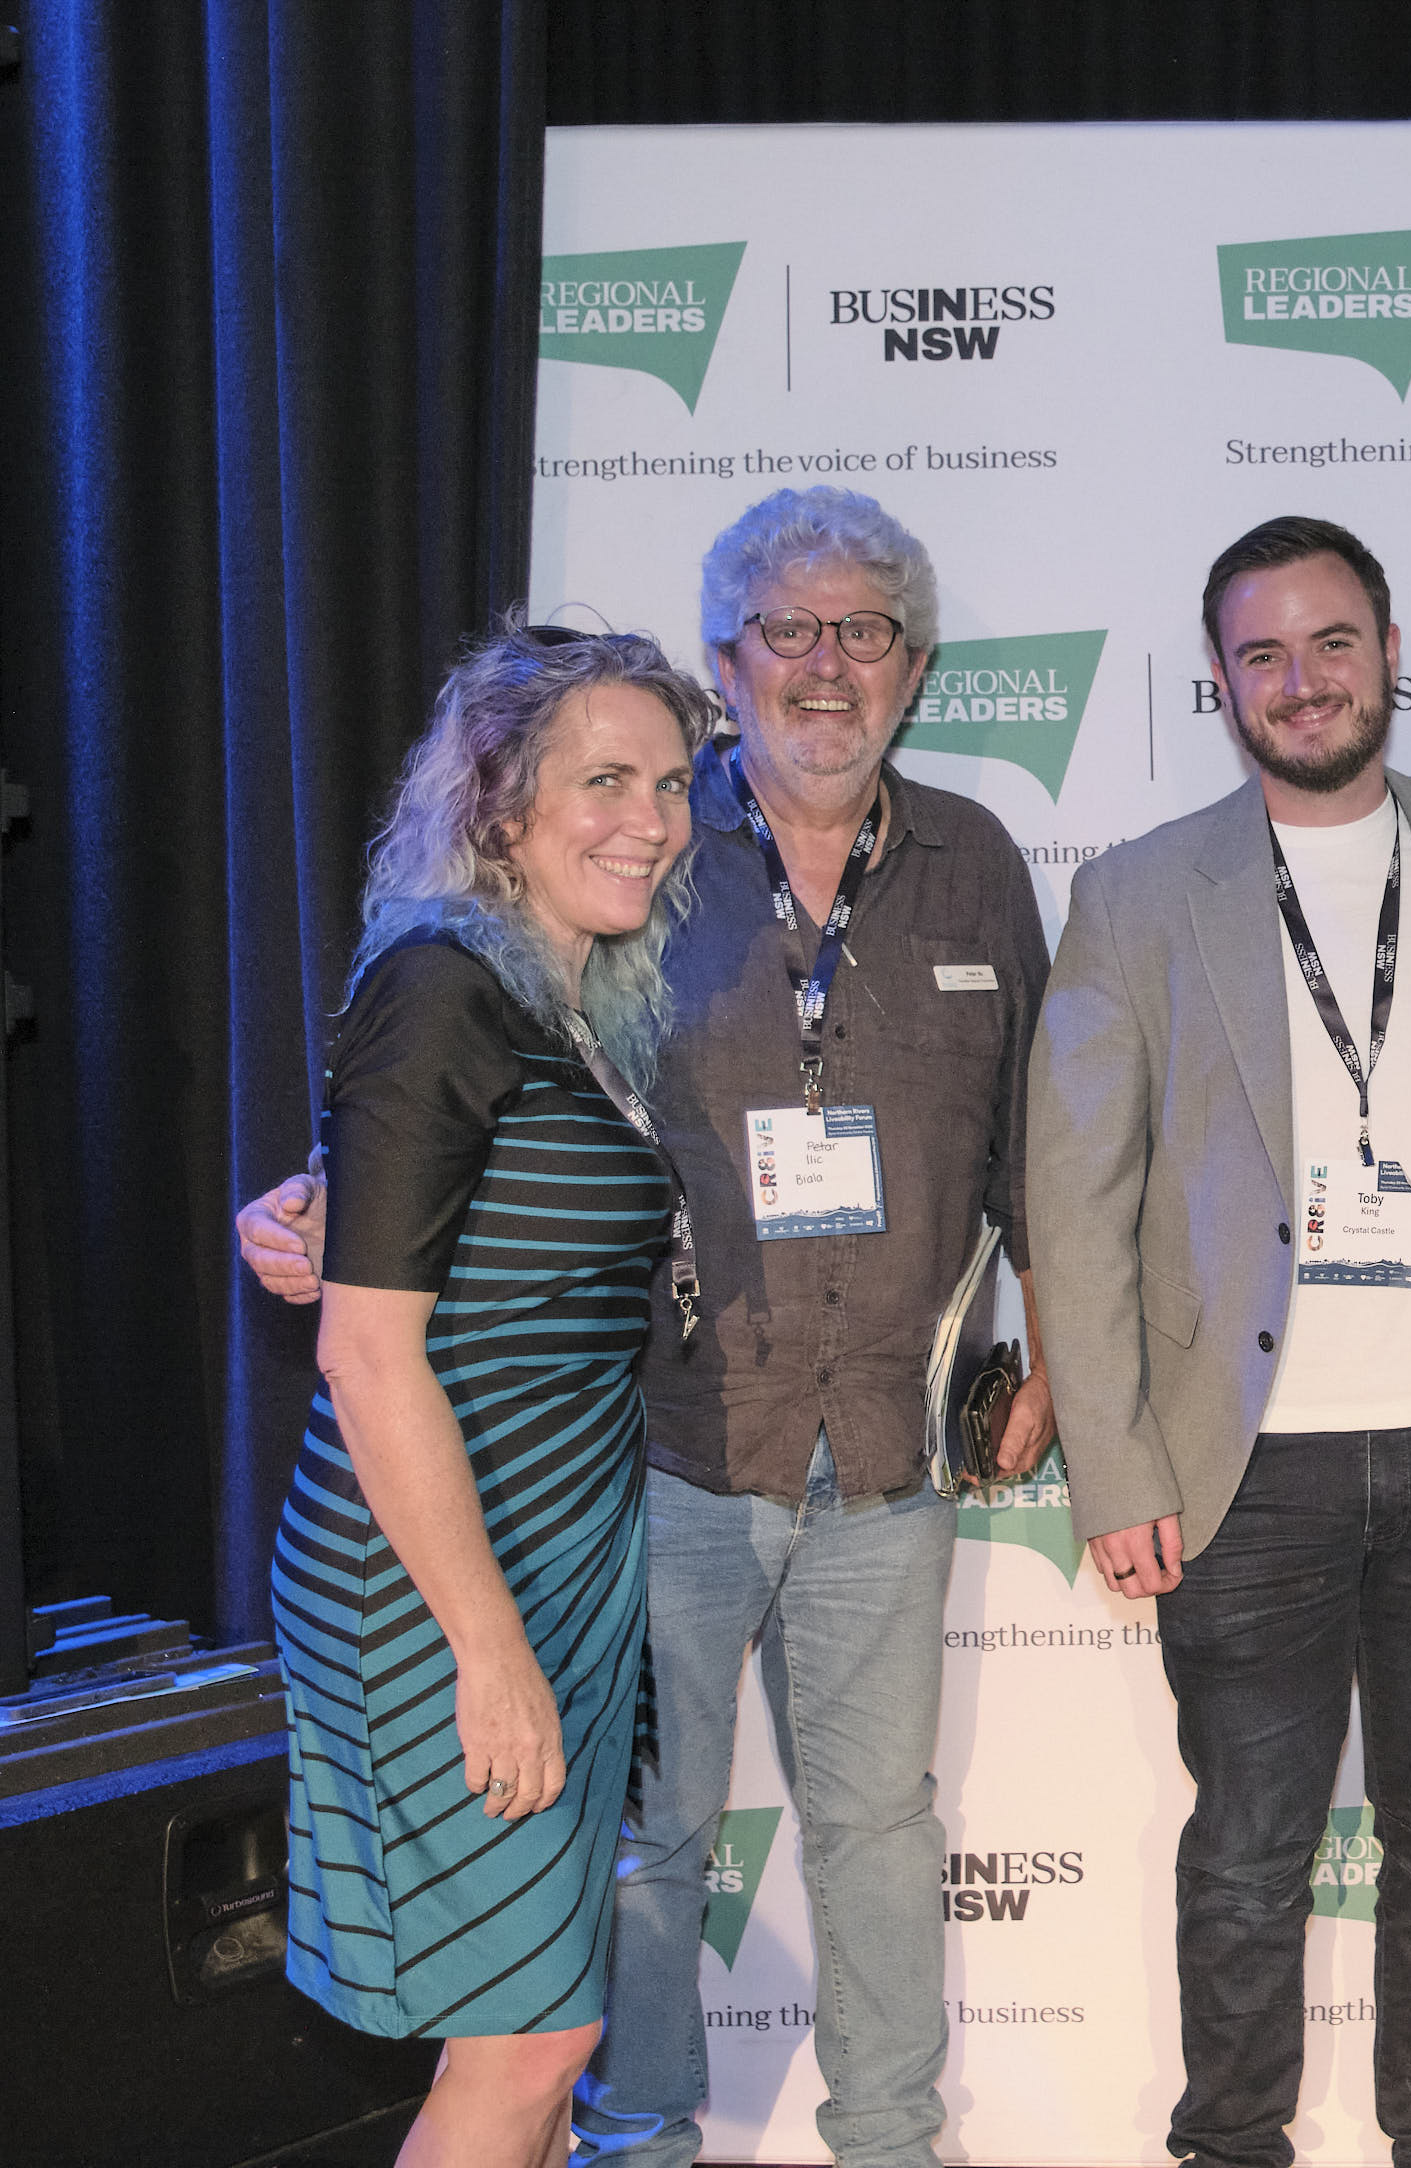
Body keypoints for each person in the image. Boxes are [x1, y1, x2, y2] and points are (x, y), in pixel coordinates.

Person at [240, 486, 1058, 2168]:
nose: (826, 663)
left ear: (913, 664)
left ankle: (890, 2147)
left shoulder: (968, 866)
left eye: (865, 629)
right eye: (788, 629)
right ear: (727, 659)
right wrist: (328, 1200)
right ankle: (644, 2149)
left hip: (871, 1453)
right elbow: (435, 1147)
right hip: (657, 1459)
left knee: (865, 1837)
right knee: (633, 1872)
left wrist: (1048, 1358)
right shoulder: (631, 888)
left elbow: (1028, 1141)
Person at [1029, 515, 1411, 2168]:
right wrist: (1114, 1465)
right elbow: (1075, 1198)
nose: (1302, 680)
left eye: (1332, 642)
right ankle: (1230, 2147)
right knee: (1247, 1855)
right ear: (1221, 683)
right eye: (1263, 654)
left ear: (1390, 653)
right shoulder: (1139, 893)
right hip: (1241, 1467)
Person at [273, 620, 708, 2167]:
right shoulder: (444, 985)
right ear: (499, 804)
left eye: (671, 783)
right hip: (438, 1581)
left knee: (544, 2031)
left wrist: (311, 1207)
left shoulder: (569, 1002)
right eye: (606, 781)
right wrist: (486, 1647)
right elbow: (366, 1351)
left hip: (555, 1553)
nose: (651, 820)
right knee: (528, 2044)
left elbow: (452, 1227)